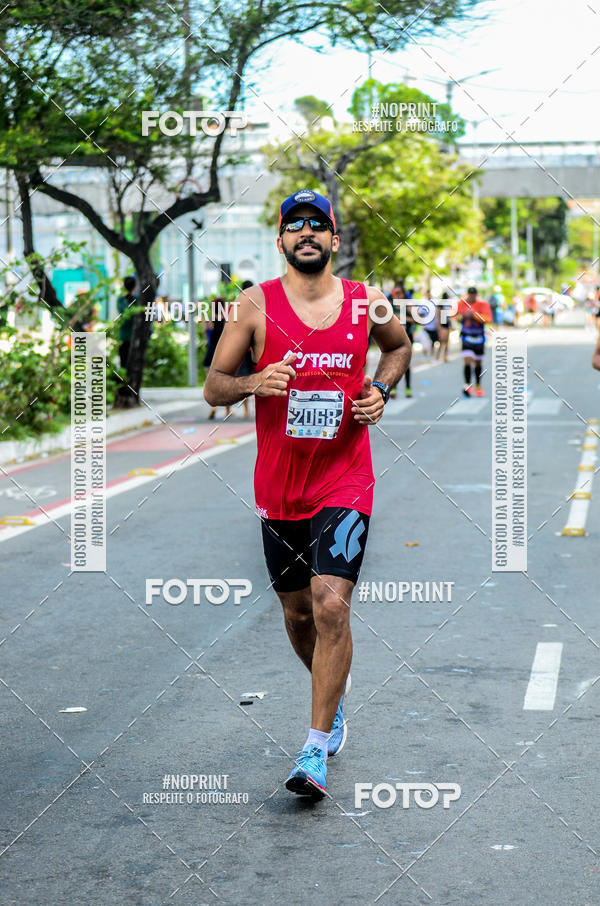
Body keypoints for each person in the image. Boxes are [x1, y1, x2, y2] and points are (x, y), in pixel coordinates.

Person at [204, 189, 411, 799]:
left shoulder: (364, 302)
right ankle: (335, 695)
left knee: (330, 606)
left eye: (317, 226)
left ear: (334, 240)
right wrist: (253, 382)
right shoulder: (254, 305)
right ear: (280, 242)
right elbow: (214, 388)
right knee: (297, 614)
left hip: (345, 476)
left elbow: (397, 347)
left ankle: (314, 748)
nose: (306, 235)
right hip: (278, 485)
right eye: (295, 226)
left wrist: (380, 388)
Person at [457, 286, 492, 397]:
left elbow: (488, 319)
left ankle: (478, 384)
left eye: (474, 294)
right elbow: (454, 316)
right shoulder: (461, 304)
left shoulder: (483, 304)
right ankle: (467, 385)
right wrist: (462, 316)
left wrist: (474, 315)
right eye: (470, 294)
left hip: (479, 337)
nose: (471, 296)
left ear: (476, 295)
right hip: (466, 336)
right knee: (467, 360)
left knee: (477, 363)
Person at [203, 298, 231, 419]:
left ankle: (213, 407)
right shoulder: (227, 320)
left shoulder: (209, 321)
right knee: (226, 381)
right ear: (224, 307)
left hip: (210, 354)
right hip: (223, 353)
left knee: (210, 382)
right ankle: (227, 409)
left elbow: (207, 338)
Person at [388, 281, 413, 397]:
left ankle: (408, 388)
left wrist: (403, 318)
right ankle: (393, 389)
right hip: (392, 337)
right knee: (392, 364)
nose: (397, 295)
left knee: (406, 364)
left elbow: (418, 320)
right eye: (395, 293)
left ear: (403, 294)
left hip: (406, 338)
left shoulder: (407, 305)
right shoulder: (388, 305)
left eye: (399, 293)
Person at [116, 276, 137, 368]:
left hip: (125, 336)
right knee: (133, 363)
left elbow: (123, 312)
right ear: (135, 286)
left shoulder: (121, 300)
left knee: (124, 362)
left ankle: (125, 381)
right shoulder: (138, 300)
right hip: (134, 335)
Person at [436, 291, 454, 362]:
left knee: (446, 341)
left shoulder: (448, 305)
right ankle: (438, 355)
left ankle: (445, 356)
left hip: (447, 323)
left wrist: (451, 325)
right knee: (442, 341)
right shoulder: (440, 305)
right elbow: (437, 315)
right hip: (442, 323)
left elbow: (449, 316)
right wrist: (439, 326)